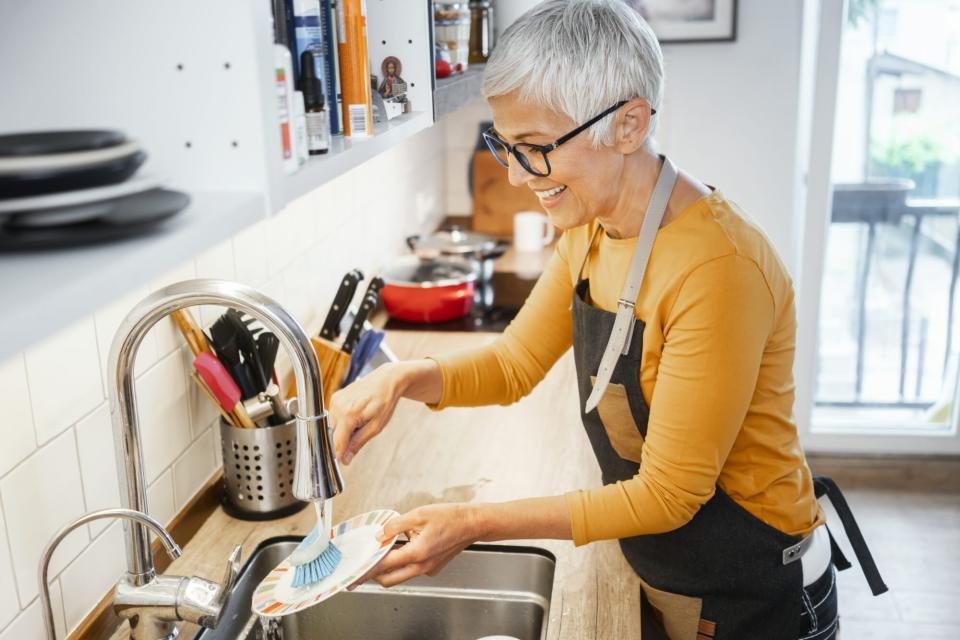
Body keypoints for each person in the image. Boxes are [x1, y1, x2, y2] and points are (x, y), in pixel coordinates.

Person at [329, 2, 885, 637]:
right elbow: (513, 365)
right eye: (505, 145)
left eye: (534, 149)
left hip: (755, 593)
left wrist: (473, 524)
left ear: (628, 125)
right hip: (667, 569)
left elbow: (669, 496)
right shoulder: (594, 227)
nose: (513, 176)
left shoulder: (718, 269)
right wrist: (399, 381)